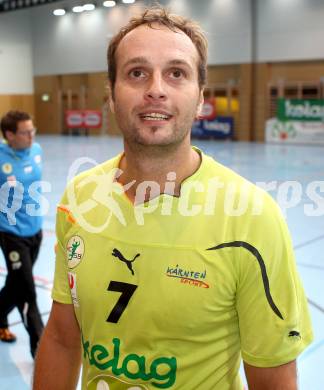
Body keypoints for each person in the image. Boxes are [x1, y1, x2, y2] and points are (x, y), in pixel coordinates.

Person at [33, 5, 313, 390]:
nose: (156, 89)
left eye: (176, 73)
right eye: (137, 73)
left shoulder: (251, 217)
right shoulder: (81, 196)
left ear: (200, 98)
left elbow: (274, 380)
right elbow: (63, 339)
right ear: (112, 96)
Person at [0, 110, 44, 358]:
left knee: (16, 285)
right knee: (28, 292)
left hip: (36, 231)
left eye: (32, 130)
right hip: (11, 234)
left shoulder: (37, 151)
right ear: (9, 135)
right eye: (25, 132)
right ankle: (40, 347)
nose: (32, 136)